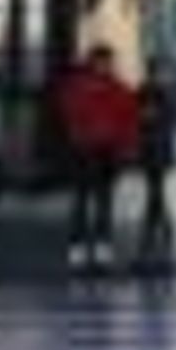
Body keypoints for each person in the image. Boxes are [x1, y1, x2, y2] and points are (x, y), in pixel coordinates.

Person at [57, 42, 137, 272]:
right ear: (93, 63)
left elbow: (128, 121)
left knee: (103, 201)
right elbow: (69, 113)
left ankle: (99, 247)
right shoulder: (79, 88)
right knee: (83, 201)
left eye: (108, 63)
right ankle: (80, 247)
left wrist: (126, 148)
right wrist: (77, 133)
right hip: (85, 150)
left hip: (105, 151)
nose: (106, 67)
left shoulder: (117, 89)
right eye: (102, 63)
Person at [134, 55, 176, 274]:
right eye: (160, 71)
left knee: (155, 188)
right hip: (154, 148)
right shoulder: (149, 91)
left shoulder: (154, 91)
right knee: (155, 188)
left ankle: (155, 227)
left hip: (156, 148)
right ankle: (161, 225)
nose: (162, 75)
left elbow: (169, 118)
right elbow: (142, 117)